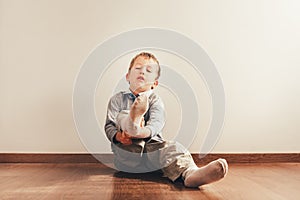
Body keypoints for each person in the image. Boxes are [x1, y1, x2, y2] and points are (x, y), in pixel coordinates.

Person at [104, 52, 228, 188]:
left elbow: (156, 124)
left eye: (148, 70)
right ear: (127, 76)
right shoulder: (117, 99)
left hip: (153, 153)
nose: (142, 72)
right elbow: (109, 126)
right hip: (128, 154)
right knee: (123, 115)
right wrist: (119, 137)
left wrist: (139, 132)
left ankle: (191, 173)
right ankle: (132, 121)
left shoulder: (155, 100)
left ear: (154, 84)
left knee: (173, 148)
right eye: (138, 68)